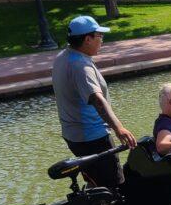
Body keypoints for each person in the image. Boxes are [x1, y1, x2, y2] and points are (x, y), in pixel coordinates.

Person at [52, 15, 136, 190]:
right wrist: (118, 128)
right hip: (93, 137)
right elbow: (97, 100)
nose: (102, 41)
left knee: (96, 178)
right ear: (87, 39)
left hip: (73, 135)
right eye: (99, 36)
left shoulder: (63, 57)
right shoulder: (81, 66)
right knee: (113, 186)